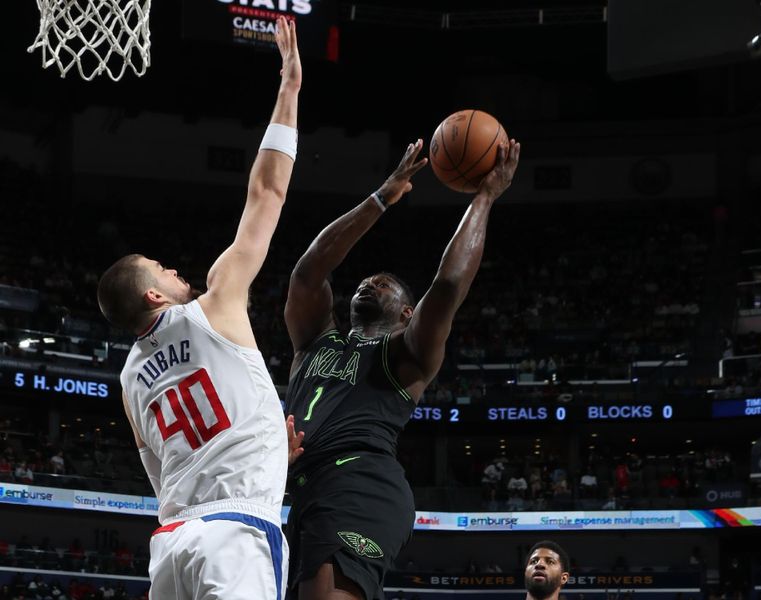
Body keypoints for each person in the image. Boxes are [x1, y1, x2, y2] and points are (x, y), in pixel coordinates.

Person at [95, 17, 301, 599]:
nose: (176, 270)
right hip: (235, 531)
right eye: (163, 269)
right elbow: (268, 193)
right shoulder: (216, 301)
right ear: (154, 295)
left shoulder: (131, 376)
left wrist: (261, 447)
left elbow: (163, 470)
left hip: (173, 541)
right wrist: (289, 87)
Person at [283, 138, 521, 599]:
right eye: (370, 279)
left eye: (388, 284)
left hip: (360, 483)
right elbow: (308, 273)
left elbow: (449, 284)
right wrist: (380, 198)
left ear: (409, 315)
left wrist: (485, 197)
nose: (372, 279)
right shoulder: (315, 339)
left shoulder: (404, 354)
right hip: (308, 491)